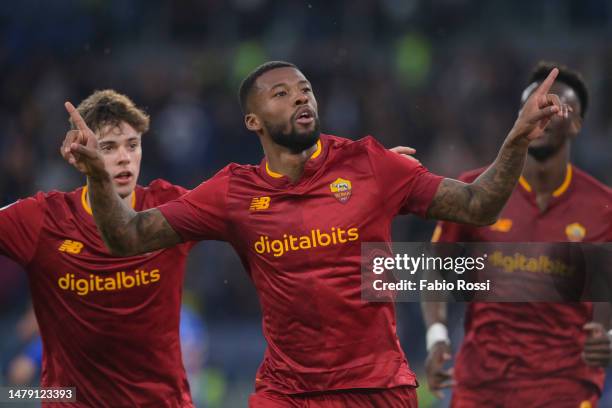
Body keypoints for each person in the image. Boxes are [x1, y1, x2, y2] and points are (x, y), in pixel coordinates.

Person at [63, 60, 570, 407]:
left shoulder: (371, 164)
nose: (300, 98)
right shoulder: (232, 193)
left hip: (378, 389)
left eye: (304, 89)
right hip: (287, 392)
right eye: (281, 94)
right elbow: (127, 238)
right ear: (253, 121)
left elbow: (478, 206)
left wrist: (517, 139)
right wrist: (96, 174)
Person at [423, 62, 612, 407]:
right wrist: (436, 337)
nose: (543, 114)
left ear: (578, 124)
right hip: (480, 389)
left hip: (564, 390)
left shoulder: (603, 208)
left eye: (556, 106)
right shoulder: (474, 192)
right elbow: (434, 267)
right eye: (534, 105)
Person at [0, 90, 196, 407]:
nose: (124, 157)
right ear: (78, 155)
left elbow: (244, 213)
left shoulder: (170, 207)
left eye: (132, 145)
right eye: (108, 147)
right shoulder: (42, 220)